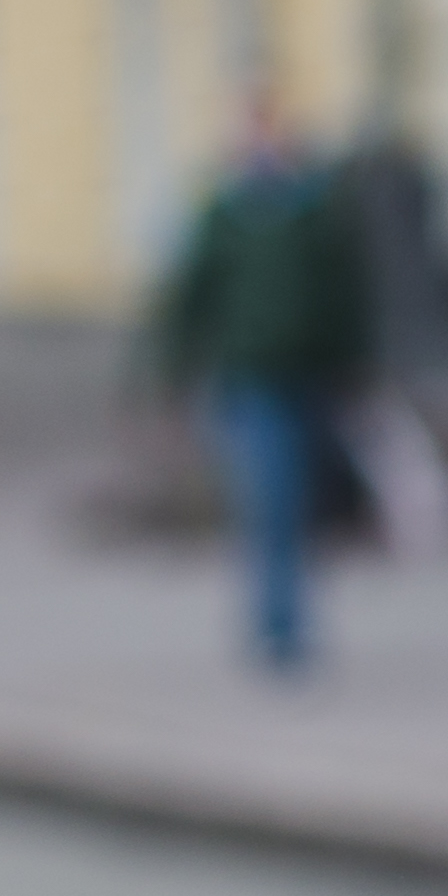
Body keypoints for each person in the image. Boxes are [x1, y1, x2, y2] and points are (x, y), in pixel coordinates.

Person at [152, 91, 370, 679]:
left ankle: (293, 619)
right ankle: (280, 630)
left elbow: (345, 298)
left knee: (307, 506)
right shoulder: (224, 215)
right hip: (251, 380)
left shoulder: (316, 212)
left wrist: (356, 369)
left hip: (314, 379)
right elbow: (189, 299)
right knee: (273, 499)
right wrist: (169, 375)